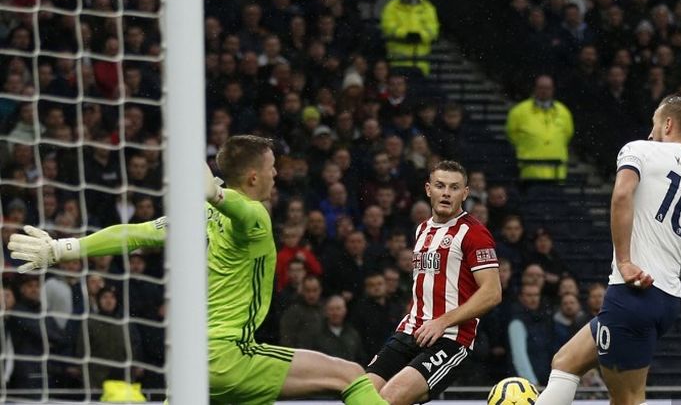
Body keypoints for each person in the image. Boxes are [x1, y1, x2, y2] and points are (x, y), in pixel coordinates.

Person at [9, 135, 387, 405]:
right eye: (272, 168)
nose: (277, 175)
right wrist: (219, 195)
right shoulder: (254, 212)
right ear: (254, 177)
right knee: (350, 375)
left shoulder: (195, 217)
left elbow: (134, 234)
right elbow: (239, 211)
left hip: (190, 362)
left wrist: (61, 248)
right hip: (230, 357)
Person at [535, 96, 681, 405]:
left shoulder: (639, 150)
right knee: (566, 361)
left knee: (628, 400)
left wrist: (625, 261)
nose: (650, 132)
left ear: (668, 124)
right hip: (666, 298)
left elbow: (622, 196)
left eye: (654, 124)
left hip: (633, 290)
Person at [365, 160, 502, 405]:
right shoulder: (422, 229)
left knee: (388, 400)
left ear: (465, 193)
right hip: (411, 331)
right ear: (429, 189)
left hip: (450, 338)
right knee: (359, 396)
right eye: (440, 186)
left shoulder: (474, 233)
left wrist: (442, 321)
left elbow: (492, 293)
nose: (447, 193)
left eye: (454, 187)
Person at [506, 75, 574, 182]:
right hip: (529, 172)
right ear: (535, 88)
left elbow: (568, 134)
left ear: (553, 90)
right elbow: (511, 135)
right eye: (541, 87)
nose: (544, 91)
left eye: (547, 88)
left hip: (557, 174)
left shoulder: (563, 112)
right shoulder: (518, 112)